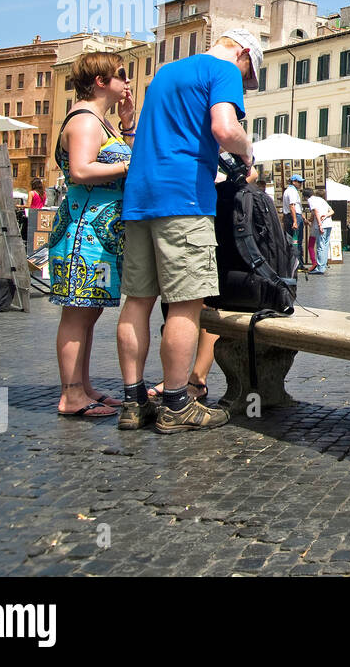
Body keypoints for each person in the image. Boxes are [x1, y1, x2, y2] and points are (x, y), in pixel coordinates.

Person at [114, 28, 260, 432]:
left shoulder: (164, 73)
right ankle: (178, 403)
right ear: (243, 53)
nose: (244, 84)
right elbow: (224, 128)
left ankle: (132, 401)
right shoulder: (223, 70)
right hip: (184, 198)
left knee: (138, 300)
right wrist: (248, 151)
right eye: (249, 76)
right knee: (186, 302)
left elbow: (145, 131)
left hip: (140, 195)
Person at [47, 52, 134, 417]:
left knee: (89, 311)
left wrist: (128, 122)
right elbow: (81, 171)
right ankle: (71, 395)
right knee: (77, 314)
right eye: (121, 75)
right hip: (82, 234)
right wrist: (130, 165)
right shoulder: (84, 121)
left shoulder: (103, 121)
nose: (127, 82)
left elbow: (121, 152)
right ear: (101, 82)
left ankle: (84, 387)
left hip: (100, 233)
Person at [307, 187, 335, 274]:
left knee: (320, 246)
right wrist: (326, 215)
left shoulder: (312, 201)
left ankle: (320, 268)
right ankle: (323, 265)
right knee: (325, 246)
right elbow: (332, 211)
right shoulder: (322, 201)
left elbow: (316, 212)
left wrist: (319, 224)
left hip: (322, 225)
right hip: (329, 224)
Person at [282, 173, 304, 265]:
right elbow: (292, 206)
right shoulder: (292, 191)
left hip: (290, 216)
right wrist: (295, 221)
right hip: (293, 217)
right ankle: (297, 263)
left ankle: (295, 262)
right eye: (299, 182)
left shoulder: (288, 191)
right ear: (294, 182)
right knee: (296, 241)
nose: (300, 184)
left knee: (292, 240)